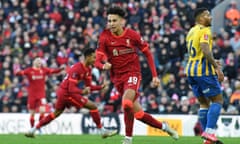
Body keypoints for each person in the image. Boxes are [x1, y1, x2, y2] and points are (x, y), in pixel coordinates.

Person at [95, 6, 179, 144]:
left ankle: (128, 139)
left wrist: (155, 75)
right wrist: (103, 65)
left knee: (126, 103)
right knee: (139, 114)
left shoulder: (132, 35)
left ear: (122, 21)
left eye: (114, 20)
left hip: (133, 74)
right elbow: (97, 60)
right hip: (117, 78)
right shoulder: (104, 37)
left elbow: (147, 53)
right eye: (109, 21)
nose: (111, 24)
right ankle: (165, 127)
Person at [24, 48, 117, 138]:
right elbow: (71, 89)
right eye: (93, 57)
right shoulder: (77, 68)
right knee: (93, 106)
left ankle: (33, 130)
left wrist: (100, 87)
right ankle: (102, 130)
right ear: (88, 57)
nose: (95, 60)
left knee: (55, 113)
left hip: (64, 92)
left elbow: (89, 87)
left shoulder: (88, 70)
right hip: (66, 93)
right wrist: (82, 91)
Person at [185, 8, 224, 144]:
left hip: (190, 71)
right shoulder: (205, 30)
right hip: (203, 72)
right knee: (218, 100)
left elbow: (196, 52)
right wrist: (216, 67)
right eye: (207, 15)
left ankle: (207, 139)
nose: (210, 17)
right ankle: (209, 133)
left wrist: (212, 59)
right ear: (200, 18)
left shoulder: (191, 31)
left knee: (203, 103)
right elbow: (205, 49)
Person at [15, 57, 64, 128]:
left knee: (42, 111)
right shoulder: (29, 70)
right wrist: (17, 72)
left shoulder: (44, 70)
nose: (39, 62)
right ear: (34, 62)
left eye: (40, 61)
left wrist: (60, 69)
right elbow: (20, 73)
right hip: (32, 95)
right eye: (38, 61)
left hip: (41, 95)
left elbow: (53, 71)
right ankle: (32, 128)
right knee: (32, 114)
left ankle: (39, 128)